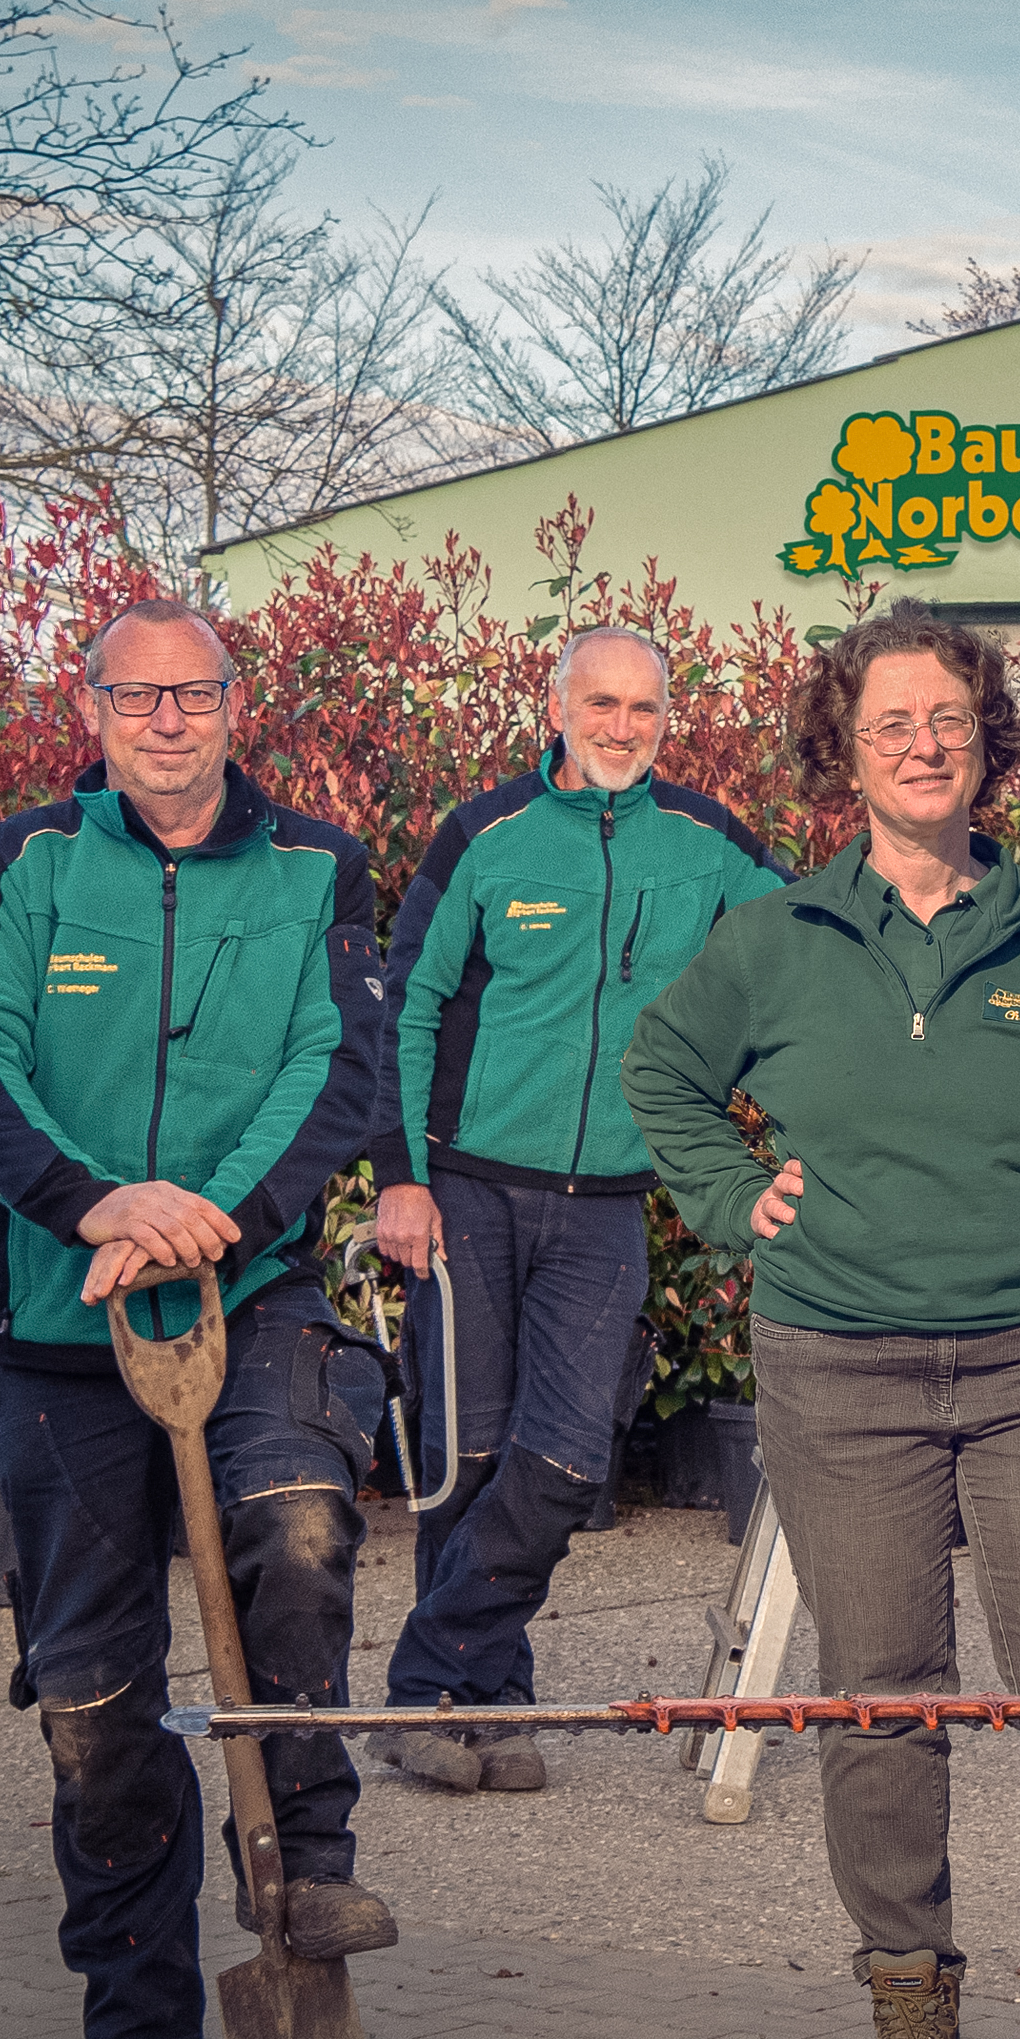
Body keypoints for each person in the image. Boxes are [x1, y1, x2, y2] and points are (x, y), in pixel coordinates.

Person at [623, 604, 1020, 2039]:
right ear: (847, 752)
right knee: (880, 1705)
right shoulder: (775, 940)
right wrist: (734, 1196)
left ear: (985, 743)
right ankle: (910, 2015)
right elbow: (663, 1069)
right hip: (838, 1372)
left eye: (948, 719)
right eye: (891, 724)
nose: (923, 746)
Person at [0, 598, 392, 2039]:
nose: (167, 721)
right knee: (93, 1699)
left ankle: (305, 1863)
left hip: (248, 1289)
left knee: (300, 1526)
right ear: (93, 711)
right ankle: (136, 2035)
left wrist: (211, 1218)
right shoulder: (27, 862)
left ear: (234, 704)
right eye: (136, 697)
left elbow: (337, 1062)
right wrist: (96, 1204)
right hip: (61, 1312)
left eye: (193, 693)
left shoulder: (319, 864)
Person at [369, 623, 782, 1792]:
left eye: (643, 708)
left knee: (561, 1461)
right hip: (468, 1189)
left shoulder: (707, 842)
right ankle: (481, 1705)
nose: (621, 727)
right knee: (467, 1456)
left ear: (667, 720)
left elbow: (807, 949)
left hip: (605, 1203)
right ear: (557, 707)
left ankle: (426, 1682)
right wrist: (400, 1173)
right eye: (600, 703)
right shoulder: (486, 835)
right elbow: (407, 1005)